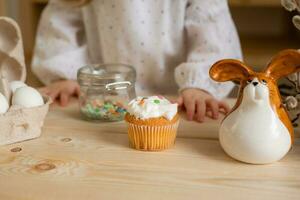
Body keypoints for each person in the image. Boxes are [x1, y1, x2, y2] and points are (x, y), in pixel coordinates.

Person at [32, 0, 242, 122]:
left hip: (178, 104)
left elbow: (211, 26)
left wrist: (200, 85)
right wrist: (65, 74)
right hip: (105, 101)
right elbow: (61, 17)